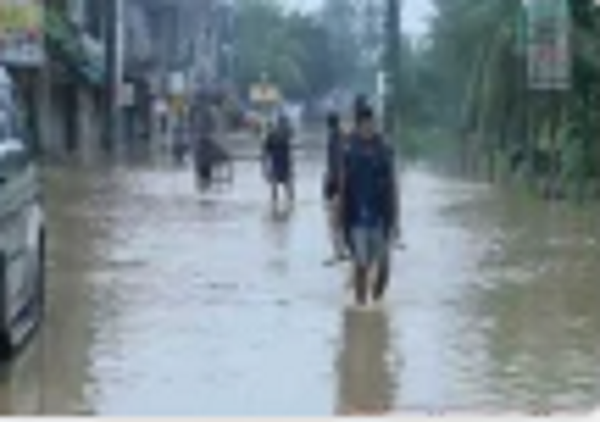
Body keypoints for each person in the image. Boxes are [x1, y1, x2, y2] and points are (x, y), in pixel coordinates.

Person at [339, 106, 398, 306]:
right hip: (356, 218)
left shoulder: (384, 149)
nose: (369, 127)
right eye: (365, 124)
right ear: (358, 125)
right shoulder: (349, 149)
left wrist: (396, 219)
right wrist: (339, 218)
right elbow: (343, 184)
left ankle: (377, 301)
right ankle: (361, 307)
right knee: (361, 265)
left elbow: (393, 185)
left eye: (371, 123)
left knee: (384, 267)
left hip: (380, 217)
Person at [323, 111, 349, 264]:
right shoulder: (343, 136)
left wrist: (336, 184)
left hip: (336, 184)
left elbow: (336, 163)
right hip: (340, 183)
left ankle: (338, 252)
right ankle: (342, 250)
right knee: (340, 220)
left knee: (334, 221)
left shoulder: (334, 139)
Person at [262, 114, 295, 207]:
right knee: (286, 188)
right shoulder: (280, 134)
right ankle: (287, 205)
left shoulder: (275, 134)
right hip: (280, 163)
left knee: (278, 188)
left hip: (281, 163)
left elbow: (266, 153)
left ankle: (277, 206)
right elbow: (266, 152)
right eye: (284, 123)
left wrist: (264, 168)